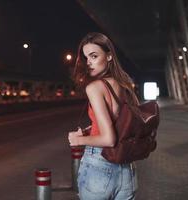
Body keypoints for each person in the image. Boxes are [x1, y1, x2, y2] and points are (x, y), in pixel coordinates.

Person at [68, 32, 139, 200]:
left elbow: (109, 139)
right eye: (86, 58)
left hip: (100, 165)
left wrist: (77, 140)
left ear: (109, 56)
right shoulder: (125, 84)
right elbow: (121, 120)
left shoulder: (95, 87)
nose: (89, 63)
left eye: (94, 56)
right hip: (126, 169)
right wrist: (88, 131)